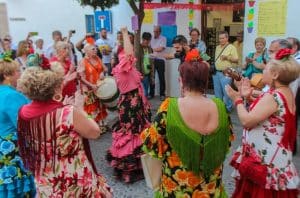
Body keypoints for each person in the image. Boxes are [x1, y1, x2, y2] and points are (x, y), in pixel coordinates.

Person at [141, 50, 233, 197]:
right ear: (205, 82)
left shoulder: (169, 107)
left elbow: (150, 143)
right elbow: (226, 144)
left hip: (177, 187)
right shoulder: (220, 107)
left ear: (181, 81)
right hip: (210, 188)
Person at [17, 64, 113, 197]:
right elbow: (95, 132)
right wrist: (79, 109)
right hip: (74, 179)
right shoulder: (68, 113)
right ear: (53, 89)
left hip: (47, 180)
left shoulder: (23, 112)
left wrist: (65, 106)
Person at [226, 48, 300, 198]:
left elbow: (247, 121)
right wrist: (247, 94)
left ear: (275, 74)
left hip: (264, 164)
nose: (262, 71)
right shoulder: (285, 92)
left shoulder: (272, 96)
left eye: (265, 68)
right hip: (275, 159)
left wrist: (237, 100)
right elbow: (270, 113)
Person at [106, 27, 151, 183]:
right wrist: (125, 34)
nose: (131, 57)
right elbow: (130, 53)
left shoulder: (129, 69)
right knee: (131, 132)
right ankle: (129, 167)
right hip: (129, 105)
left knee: (138, 131)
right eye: (126, 55)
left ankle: (141, 164)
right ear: (122, 57)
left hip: (135, 103)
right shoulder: (122, 69)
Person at [0, 57, 36, 197]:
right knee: (19, 189)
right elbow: (26, 125)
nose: (20, 74)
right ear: (7, 76)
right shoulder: (11, 96)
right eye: (17, 71)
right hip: (12, 151)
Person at [77, 43, 108, 131]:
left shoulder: (98, 58)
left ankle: (102, 126)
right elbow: (81, 78)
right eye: (93, 49)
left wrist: (102, 72)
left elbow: (105, 69)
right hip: (89, 89)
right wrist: (91, 85)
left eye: (96, 49)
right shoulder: (82, 61)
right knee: (91, 108)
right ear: (86, 51)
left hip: (98, 87)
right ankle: (91, 128)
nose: (96, 50)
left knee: (100, 106)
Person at [212, 31, 238, 112]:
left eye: (223, 38)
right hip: (216, 73)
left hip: (226, 74)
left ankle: (228, 109)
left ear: (227, 38)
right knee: (217, 93)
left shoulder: (231, 47)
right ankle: (219, 109)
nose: (221, 40)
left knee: (227, 93)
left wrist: (227, 58)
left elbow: (236, 60)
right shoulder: (217, 47)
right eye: (220, 38)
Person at [150, 25, 167, 101]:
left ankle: (162, 94)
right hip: (152, 60)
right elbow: (148, 47)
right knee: (152, 77)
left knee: (161, 78)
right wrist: (152, 50)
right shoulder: (151, 39)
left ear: (160, 32)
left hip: (160, 60)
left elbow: (161, 48)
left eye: (156, 31)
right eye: (154, 31)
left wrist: (152, 49)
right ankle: (151, 94)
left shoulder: (163, 38)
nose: (155, 33)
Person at [136, 32, 154, 98]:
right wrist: (139, 74)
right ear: (142, 39)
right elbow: (136, 62)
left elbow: (152, 62)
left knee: (145, 92)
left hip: (147, 73)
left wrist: (152, 75)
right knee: (140, 93)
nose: (146, 42)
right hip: (140, 74)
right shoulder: (138, 48)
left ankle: (144, 105)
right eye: (145, 40)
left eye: (148, 40)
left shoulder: (150, 49)